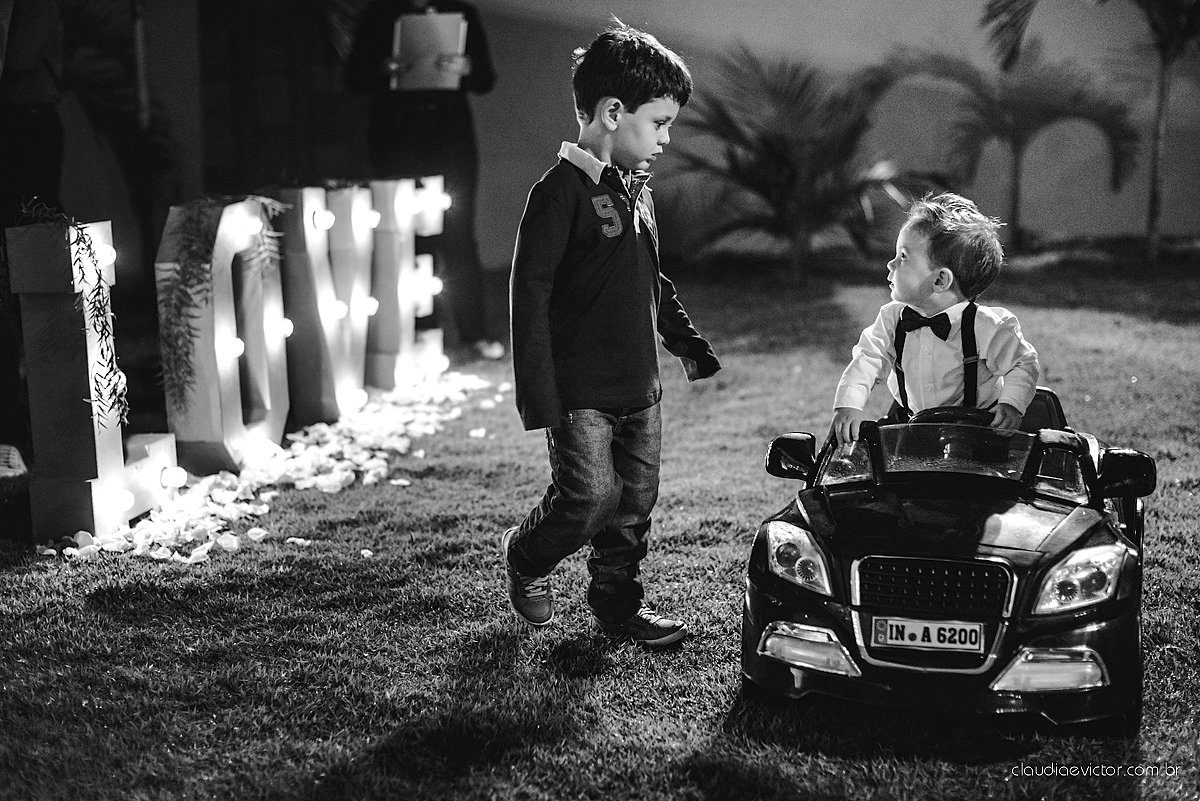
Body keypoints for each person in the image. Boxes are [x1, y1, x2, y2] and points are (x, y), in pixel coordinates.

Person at [502, 22, 721, 647]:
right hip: (580, 393)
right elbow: (530, 299)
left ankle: (619, 605)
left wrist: (685, 344)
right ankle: (527, 554)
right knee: (590, 496)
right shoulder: (557, 196)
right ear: (611, 112)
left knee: (633, 505)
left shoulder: (638, 193)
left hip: (639, 389)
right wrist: (538, 396)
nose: (666, 138)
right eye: (659, 123)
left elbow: (650, 280)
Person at [345, 0, 503, 360]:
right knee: (407, 240)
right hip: (395, 139)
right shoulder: (378, 15)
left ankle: (473, 333)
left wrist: (466, 67)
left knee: (458, 235)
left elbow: (485, 80)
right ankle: (420, 332)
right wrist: (384, 67)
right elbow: (354, 79)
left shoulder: (461, 12)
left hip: (451, 137)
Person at [831, 192, 1039, 446]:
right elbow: (867, 359)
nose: (890, 264)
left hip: (980, 431)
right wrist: (849, 403)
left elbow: (1023, 362)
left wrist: (1011, 404)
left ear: (940, 280)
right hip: (910, 424)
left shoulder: (987, 327)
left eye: (903, 257)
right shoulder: (891, 319)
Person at [0, 0, 65, 479]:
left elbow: (19, 53)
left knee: (27, 277)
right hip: (21, 121)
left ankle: (26, 431)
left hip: (22, 125)